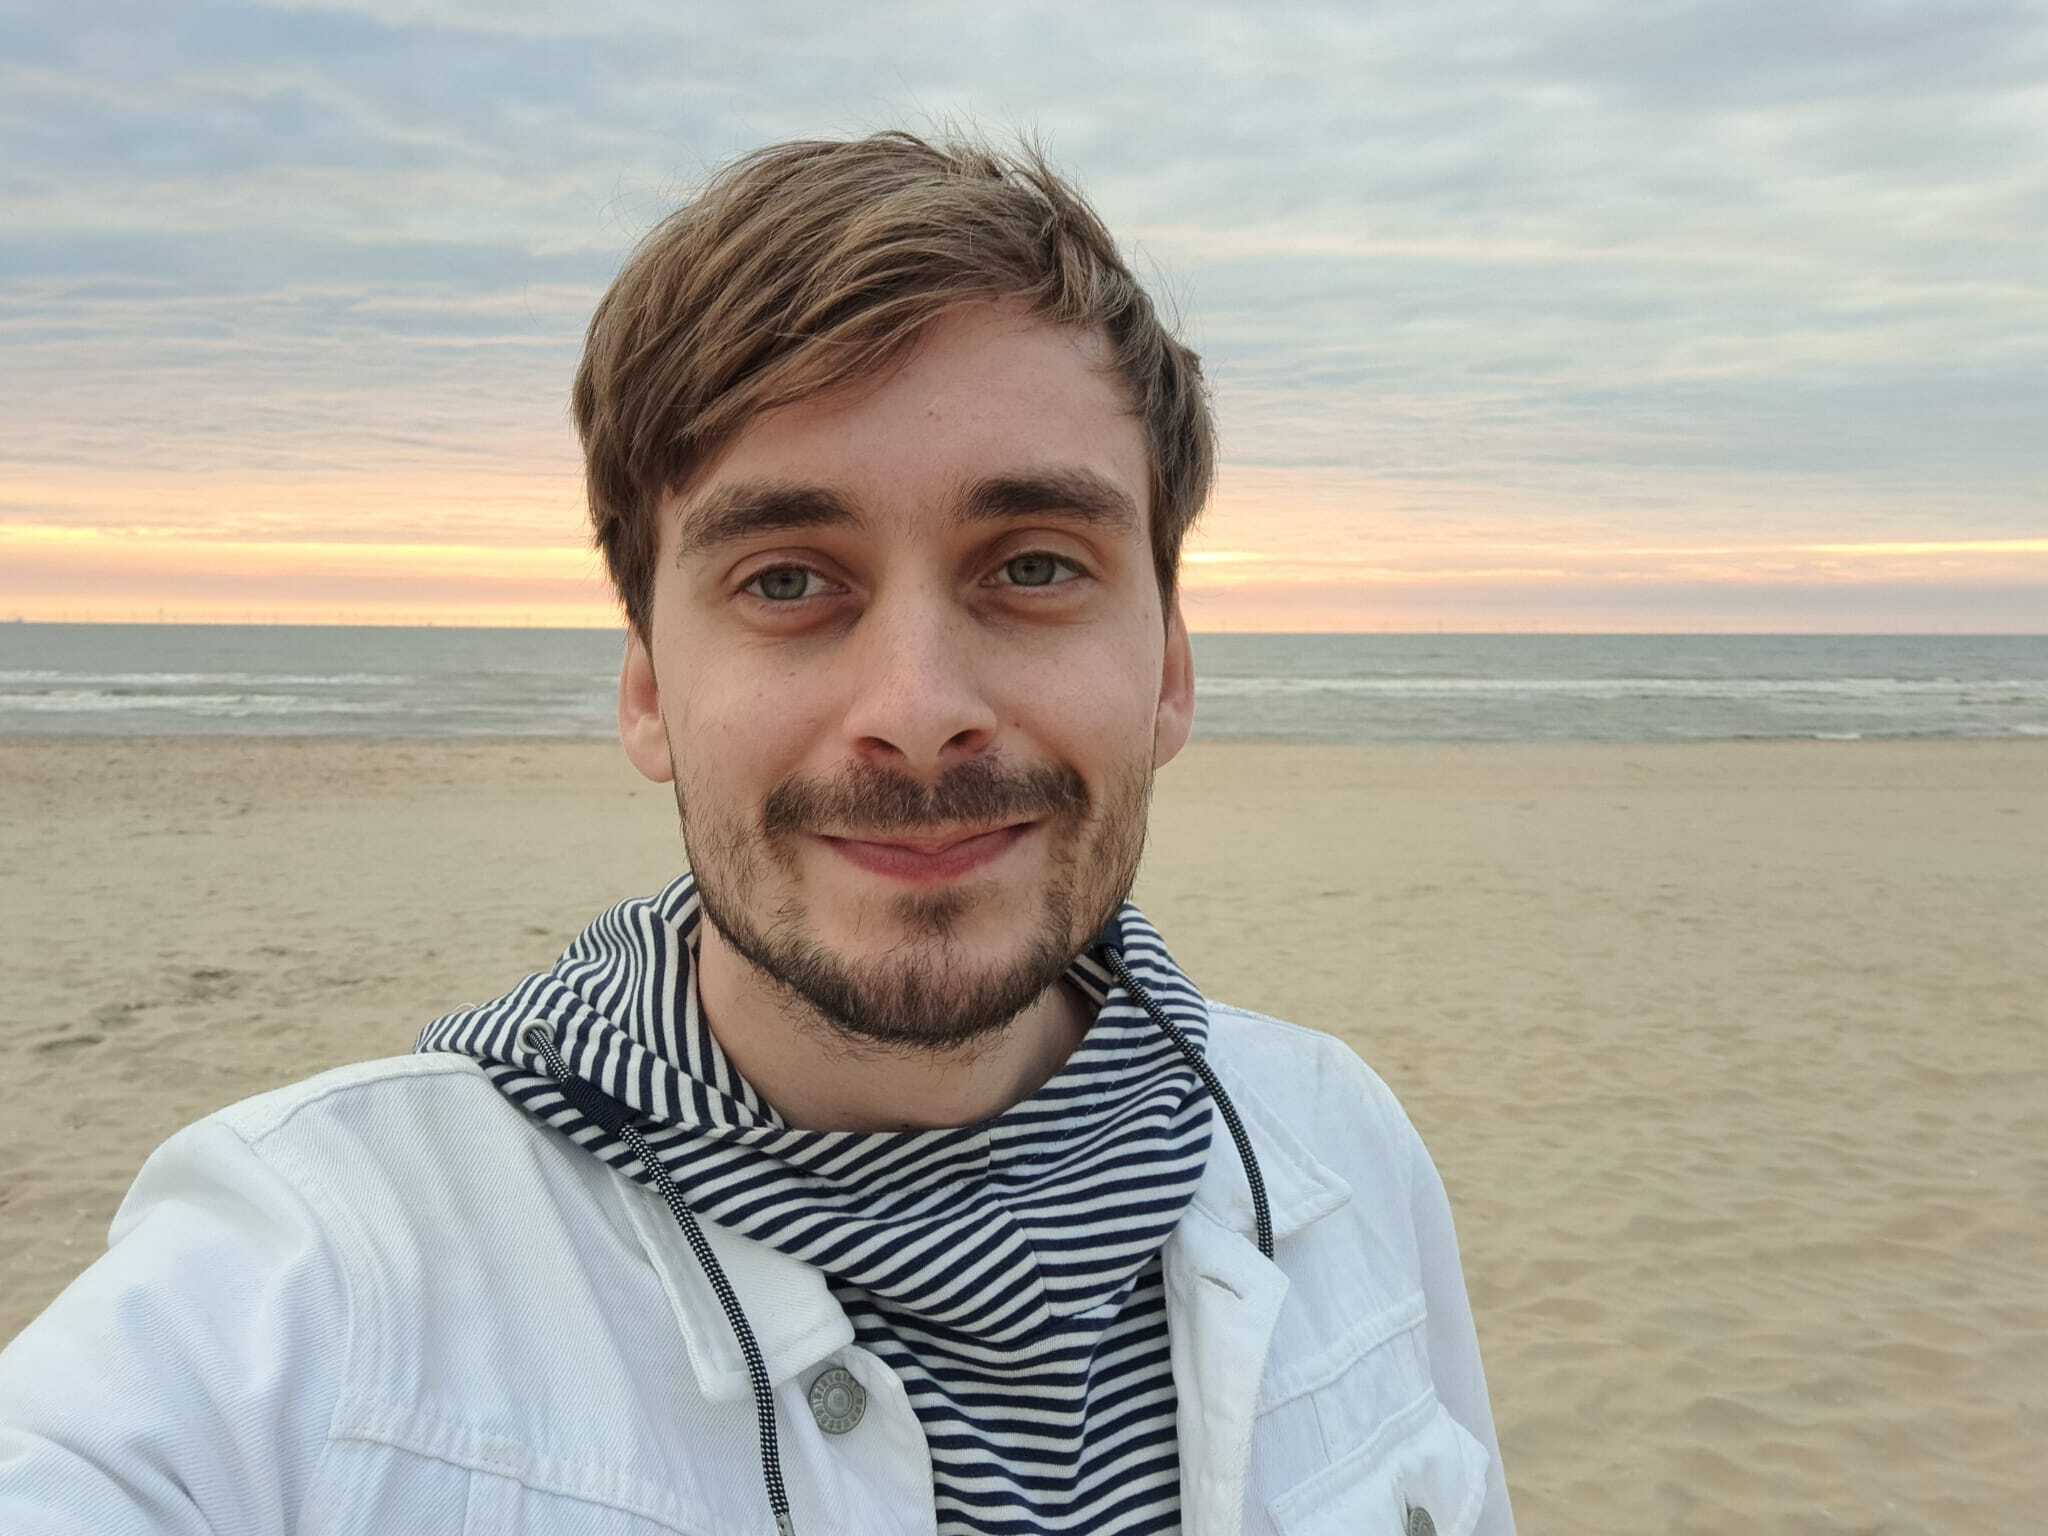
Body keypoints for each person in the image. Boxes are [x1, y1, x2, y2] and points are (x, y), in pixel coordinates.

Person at [0, 130, 1514, 1535]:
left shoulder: (1336, 1146)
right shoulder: (314, 1273)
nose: (918, 711)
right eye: (787, 580)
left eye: (1036, 565)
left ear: (1170, 669)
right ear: (652, 691)